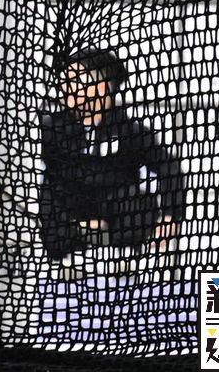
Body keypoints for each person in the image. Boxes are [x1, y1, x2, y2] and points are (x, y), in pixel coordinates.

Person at [39, 48, 184, 270]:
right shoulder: (51, 130)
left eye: (74, 81)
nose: (65, 88)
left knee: (134, 200)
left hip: (117, 218)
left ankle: (123, 261)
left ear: (102, 87)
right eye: (65, 81)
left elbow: (169, 168)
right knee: (47, 195)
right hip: (68, 216)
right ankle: (67, 263)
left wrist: (170, 216)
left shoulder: (129, 131)